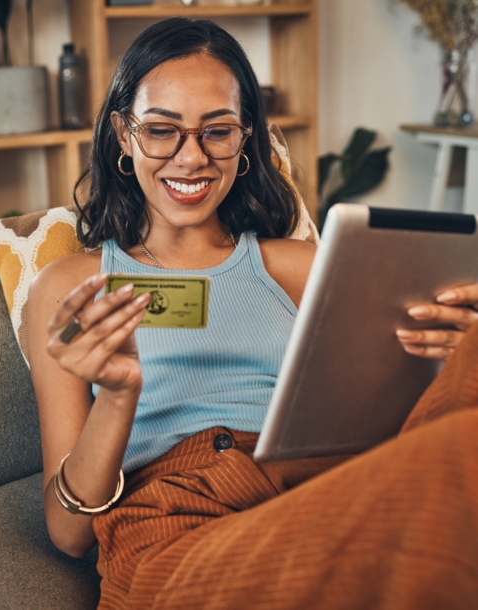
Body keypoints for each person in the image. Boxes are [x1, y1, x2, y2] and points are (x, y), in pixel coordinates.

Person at [27, 18, 478, 609]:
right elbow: (67, 533)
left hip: (314, 484)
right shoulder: (71, 286)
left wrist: (450, 352)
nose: (190, 159)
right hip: (177, 522)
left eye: (217, 131)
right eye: (162, 131)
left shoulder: (300, 266)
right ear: (123, 134)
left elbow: (383, 412)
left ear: (246, 140)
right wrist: (116, 397)